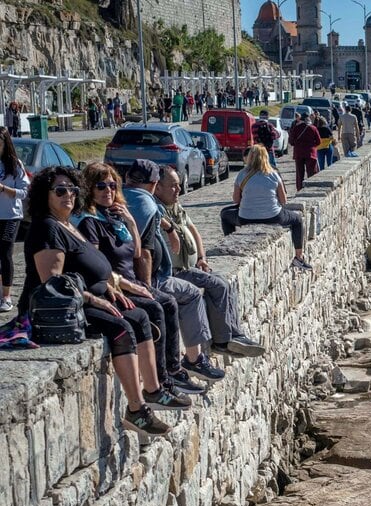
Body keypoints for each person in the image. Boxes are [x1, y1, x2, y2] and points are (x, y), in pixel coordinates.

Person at [18, 167, 175, 436]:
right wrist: (95, 298)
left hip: (87, 296)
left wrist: (115, 285)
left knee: (139, 316)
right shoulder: (46, 228)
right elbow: (52, 284)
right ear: (45, 195)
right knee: (121, 327)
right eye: (60, 190)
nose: (68, 195)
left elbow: (92, 268)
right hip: (58, 310)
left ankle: (154, 390)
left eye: (73, 190)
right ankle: (136, 410)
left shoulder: (68, 225)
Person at [77, 163, 203, 400]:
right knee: (154, 308)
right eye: (101, 186)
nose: (108, 191)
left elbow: (135, 252)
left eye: (112, 186)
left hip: (129, 281)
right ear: (89, 189)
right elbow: (93, 265)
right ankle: (161, 382)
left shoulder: (113, 216)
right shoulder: (89, 221)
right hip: (113, 288)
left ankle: (172, 370)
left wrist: (131, 222)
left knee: (168, 303)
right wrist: (125, 286)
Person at [123, 160, 225, 384]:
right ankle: (189, 361)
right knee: (188, 295)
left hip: (136, 278)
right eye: (171, 185)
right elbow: (145, 252)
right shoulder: (145, 204)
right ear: (153, 184)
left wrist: (170, 229)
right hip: (150, 279)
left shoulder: (128, 198)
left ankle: (185, 362)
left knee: (213, 285)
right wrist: (147, 287)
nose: (178, 190)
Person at [155, 165, 265, 358]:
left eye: (179, 185)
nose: (178, 190)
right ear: (157, 188)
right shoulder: (157, 210)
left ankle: (234, 335)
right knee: (217, 284)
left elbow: (194, 231)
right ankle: (223, 341)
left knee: (222, 282)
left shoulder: (175, 207)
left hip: (188, 266)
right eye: (173, 186)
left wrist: (202, 258)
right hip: (174, 271)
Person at [222, 145, 310, 270]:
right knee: (297, 220)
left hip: (245, 218)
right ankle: (299, 257)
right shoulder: (273, 174)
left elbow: (236, 200)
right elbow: (283, 200)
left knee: (225, 214)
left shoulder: (242, 174)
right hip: (273, 216)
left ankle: (230, 246)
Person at [0, 129, 28, 311]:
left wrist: (3, 188)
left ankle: (7, 296)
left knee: (5, 253)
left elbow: (24, 192)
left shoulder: (14, 164)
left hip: (11, 216)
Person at [289, 113, 321, 190]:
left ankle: (300, 189)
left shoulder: (296, 128)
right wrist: (312, 146)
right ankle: (311, 188)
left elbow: (291, 141)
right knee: (311, 173)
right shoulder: (313, 128)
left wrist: (297, 144)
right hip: (310, 153)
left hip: (299, 153)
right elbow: (319, 141)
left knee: (300, 174)